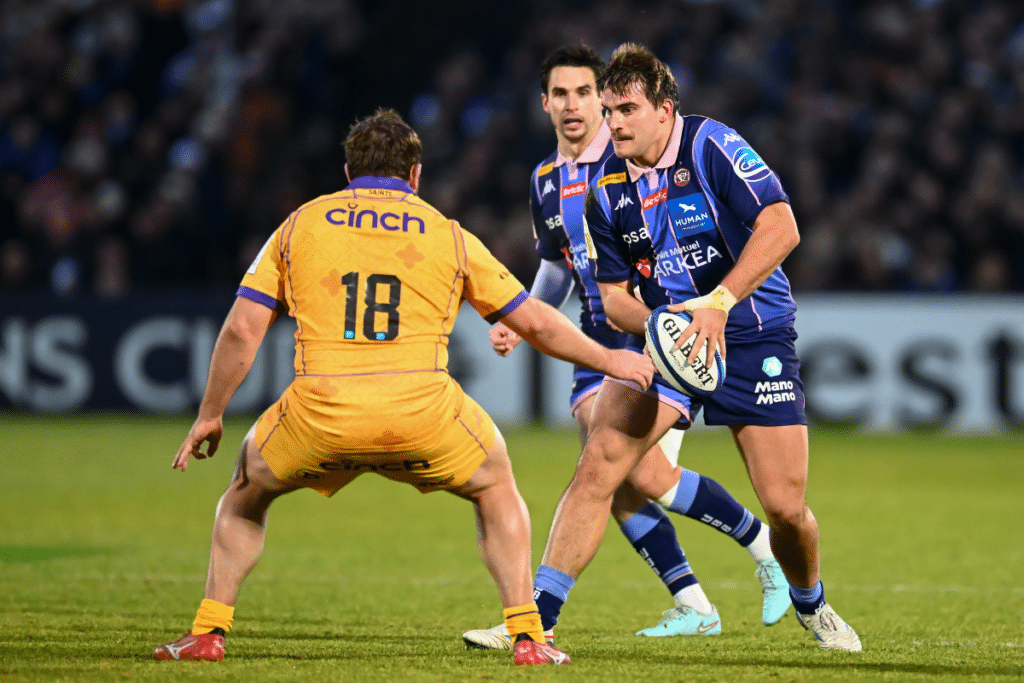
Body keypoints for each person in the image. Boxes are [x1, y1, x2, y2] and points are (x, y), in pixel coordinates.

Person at [151, 108, 657, 666]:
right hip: (423, 415)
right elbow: (534, 321)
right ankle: (529, 638)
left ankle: (208, 631)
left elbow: (243, 327)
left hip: (319, 414)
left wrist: (210, 413)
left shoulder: (299, 224)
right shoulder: (447, 234)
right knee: (495, 483)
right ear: (415, 175)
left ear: (348, 172)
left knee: (244, 494)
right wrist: (611, 357)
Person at [525, 44, 862, 652]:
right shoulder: (607, 190)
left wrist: (718, 304)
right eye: (610, 110)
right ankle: (533, 623)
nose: (615, 122)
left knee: (786, 509)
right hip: (669, 348)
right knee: (601, 464)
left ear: (664, 109)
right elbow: (611, 296)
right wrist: (667, 323)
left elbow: (782, 226)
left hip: (752, 331)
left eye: (626, 109)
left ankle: (810, 601)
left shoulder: (711, 145)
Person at [462, 45, 790, 650]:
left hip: (653, 332)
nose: (576, 107)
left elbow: (761, 223)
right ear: (545, 103)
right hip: (599, 332)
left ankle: (744, 553)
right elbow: (557, 268)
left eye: (586, 94)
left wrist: (695, 311)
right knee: (619, 478)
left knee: (618, 470)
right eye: (560, 94)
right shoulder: (544, 180)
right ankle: (699, 593)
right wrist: (523, 315)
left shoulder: (627, 161)